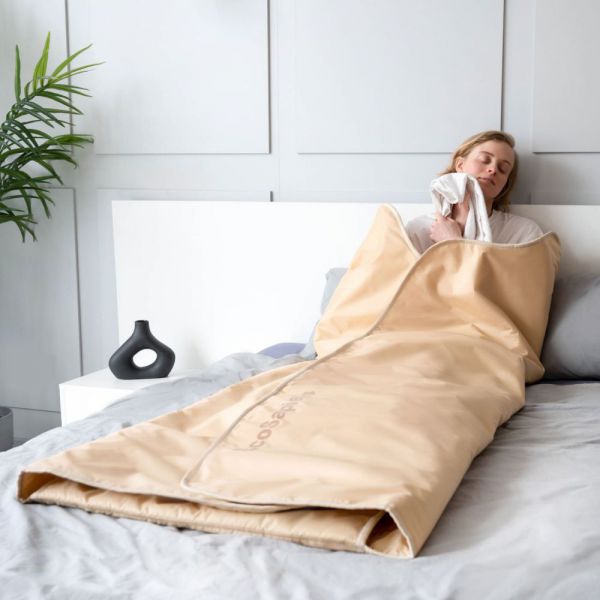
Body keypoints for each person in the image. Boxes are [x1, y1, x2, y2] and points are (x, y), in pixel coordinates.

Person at [406, 130, 543, 254]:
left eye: (503, 169)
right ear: (460, 165)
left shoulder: (523, 233)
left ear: (505, 184)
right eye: (484, 160)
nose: (493, 170)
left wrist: (452, 241)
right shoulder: (418, 230)